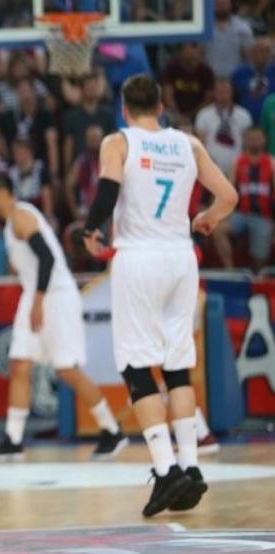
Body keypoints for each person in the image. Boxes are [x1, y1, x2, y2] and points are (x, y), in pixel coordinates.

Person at [82, 74, 238, 517]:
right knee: (177, 366)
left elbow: (109, 189)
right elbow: (228, 196)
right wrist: (208, 218)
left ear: (124, 107)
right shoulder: (188, 144)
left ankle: (167, 469)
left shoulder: (120, 141)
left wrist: (92, 230)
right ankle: (191, 466)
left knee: (135, 365)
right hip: (181, 258)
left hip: (140, 257)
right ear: (162, 105)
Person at [0, 175, 127, 462]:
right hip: (35, 292)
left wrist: (37, 302)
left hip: (54, 296)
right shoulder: (13, 223)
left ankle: (112, 430)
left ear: (1, 193)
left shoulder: (21, 216)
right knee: (19, 363)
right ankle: (14, 439)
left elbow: (46, 258)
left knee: (66, 369)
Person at [213, 127, 275, 270]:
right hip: (241, 215)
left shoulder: (271, 163)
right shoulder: (237, 162)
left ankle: (257, 275)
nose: (254, 142)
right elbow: (228, 192)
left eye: (258, 138)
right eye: (251, 138)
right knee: (218, 230)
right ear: (245, 140)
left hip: (263, 217)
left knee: (260, 259)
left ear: (264, 140)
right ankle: (230, 270)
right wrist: (222, 216)